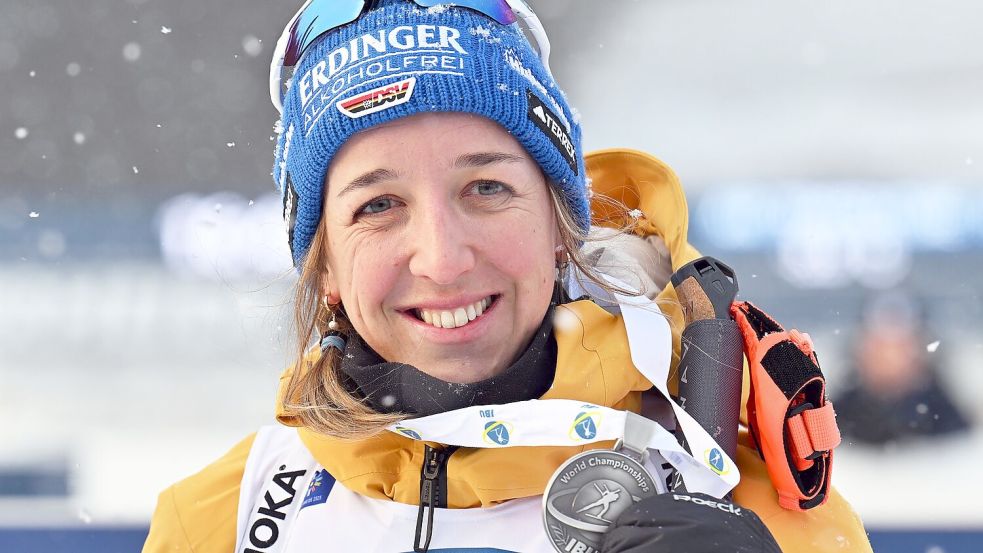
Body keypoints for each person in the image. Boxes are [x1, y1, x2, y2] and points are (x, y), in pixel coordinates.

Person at [143, 1, 871, 551]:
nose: (442, 257)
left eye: (486, 188)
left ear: (561, 222)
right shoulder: (216, 521)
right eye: (379, 205)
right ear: (325, 263)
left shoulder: (768, 518)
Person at [835, 290, 970, 446]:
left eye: (901, 346)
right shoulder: (836, 416)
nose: (890, 357)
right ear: (860, 349)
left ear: (920, 349)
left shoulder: (948, 418)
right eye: (880, 345)